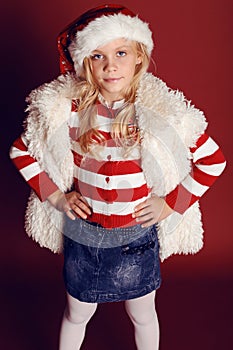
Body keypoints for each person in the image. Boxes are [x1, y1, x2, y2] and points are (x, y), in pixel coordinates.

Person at [9, 4, 226, 350]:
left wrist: (171, 204)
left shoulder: (160, 114)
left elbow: (213, 161)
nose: (111, 65)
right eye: (98, 55)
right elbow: (22, 151)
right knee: (76, 314)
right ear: (84, 63)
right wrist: (56, 196)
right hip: (85, 238)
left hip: (136, 239)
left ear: (139, 57)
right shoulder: (68, 113)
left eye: (121, 53)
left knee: (143, 314)